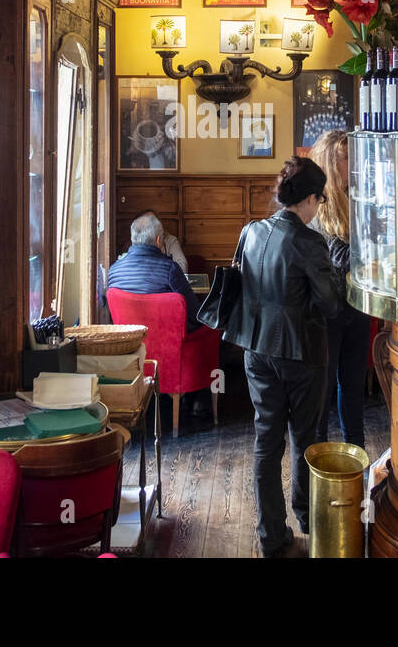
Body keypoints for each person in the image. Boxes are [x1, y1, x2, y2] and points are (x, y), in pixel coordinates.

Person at [224, 156, 340, 558]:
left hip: (256, 350)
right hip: (302, 353)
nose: (318, 207)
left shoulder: (251, 231)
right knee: (307, 439)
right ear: (309, 198)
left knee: (266, 441)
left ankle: (271, 535)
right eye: (319, 200)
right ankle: (308, 519)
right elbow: (329, 305)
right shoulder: (310, 241)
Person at [308, 130, 370, 449]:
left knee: (353, 386)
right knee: (323, 388)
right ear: (332, 162)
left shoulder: (359, 195)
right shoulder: (315, 203)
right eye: (348, 157)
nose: (354, 163)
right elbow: (333, 260)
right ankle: (317, 463)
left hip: (356, 306)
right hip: (327, 311)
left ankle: (355, 458)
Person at [105, 212, 201, 330]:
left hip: (127, 340)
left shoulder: (113, 270)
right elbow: (195, 312)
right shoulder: (170, 269)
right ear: (158, 240)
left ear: (132, 238)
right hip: (165, 339)